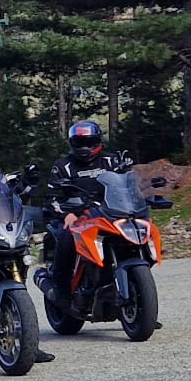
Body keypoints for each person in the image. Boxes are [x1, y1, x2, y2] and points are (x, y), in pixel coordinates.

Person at [43, 120, 135, 310]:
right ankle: (61, 293)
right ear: (72, 143)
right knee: (67, 237)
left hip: (111, 212)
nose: (84, 147)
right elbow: (52, 198)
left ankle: (136, 290)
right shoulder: (63, 166)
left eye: (89, 142)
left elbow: (129, 185)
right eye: (79, 143)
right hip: (79, 217)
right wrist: (66, 215)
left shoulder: (112, 161)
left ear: (98, 141)